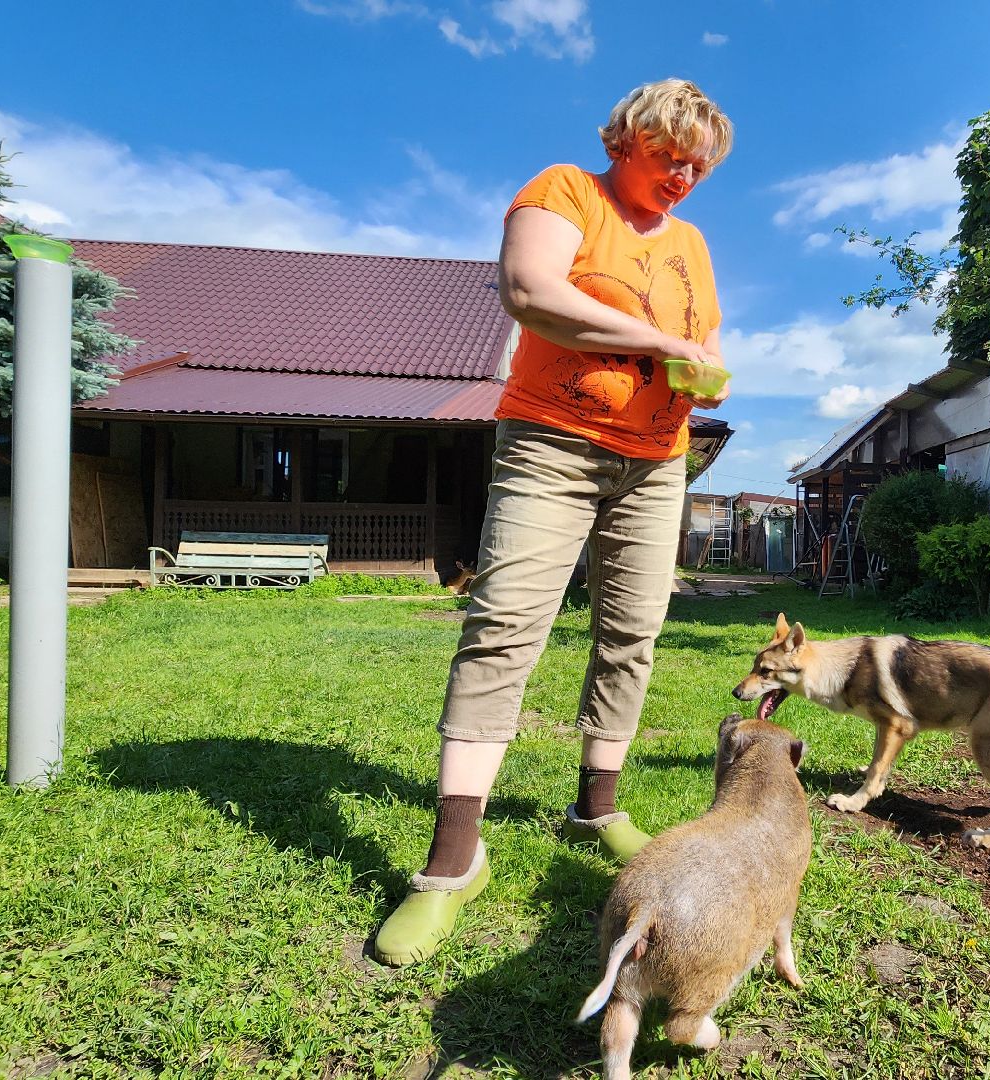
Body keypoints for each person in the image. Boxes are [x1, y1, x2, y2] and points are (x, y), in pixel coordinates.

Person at [372, 78, 734, 967]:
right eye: (669, 155)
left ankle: (595, 808)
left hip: (656, 458)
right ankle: (452, 862)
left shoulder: (690, 242)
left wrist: (705, 370)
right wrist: (661, 344)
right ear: (625, 140)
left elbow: (705, 340)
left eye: (697, 166)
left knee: (632, 633)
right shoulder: (566, 190)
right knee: (504, 627)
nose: (682, 176)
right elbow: (530, 291)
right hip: (553, 443)